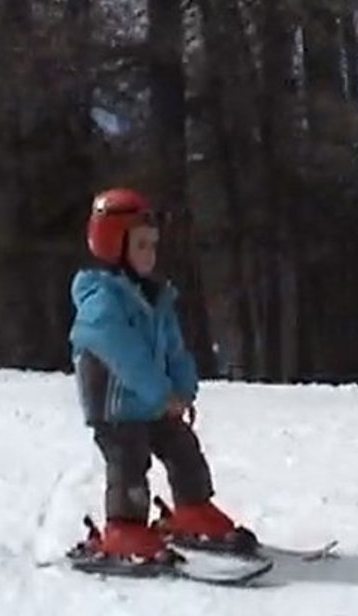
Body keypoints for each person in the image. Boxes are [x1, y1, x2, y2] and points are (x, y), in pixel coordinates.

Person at [69, 187, 245, 561]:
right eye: (141, 245)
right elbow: (127, 358)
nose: (150, 254)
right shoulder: (100, 302)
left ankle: (193, 508)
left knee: (184, 448)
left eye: (153, 245)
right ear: (113, 245)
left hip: (154, 403)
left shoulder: (156, 297)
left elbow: (174, 350)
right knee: (129, 462)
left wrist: (183, 389)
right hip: (116, 410)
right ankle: (124, 528)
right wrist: (161, 394)